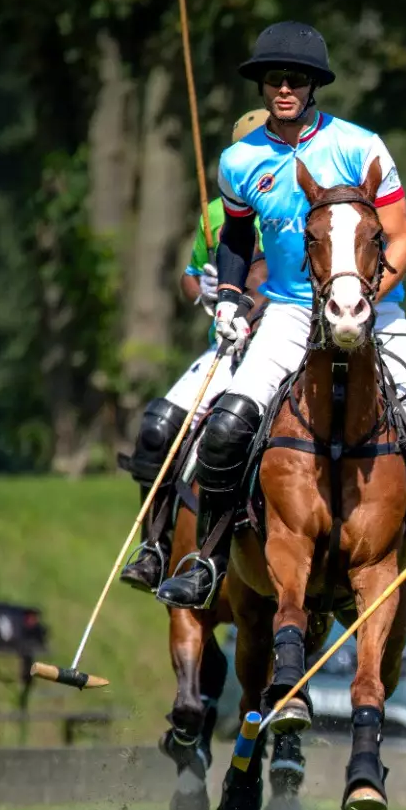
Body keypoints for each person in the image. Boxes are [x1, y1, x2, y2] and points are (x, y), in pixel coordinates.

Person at [154, 22, 406, 631]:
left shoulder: (362, 148)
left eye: (296, 79)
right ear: (262, 86)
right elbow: (233, 236)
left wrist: (357, 304)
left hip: (374, 310)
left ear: (313, 88)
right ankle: (209, 558)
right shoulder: (239, 160)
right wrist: (228, 297)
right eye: (273, 78)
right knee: (225, 433)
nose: (283, 87)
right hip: (285, 312)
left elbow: (404, 240)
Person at [117, 108, 271, 592]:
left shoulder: (299, 205)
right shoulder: (216, 214)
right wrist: (205, 288)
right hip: (227, 350)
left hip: (276, 343)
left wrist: (246, 294)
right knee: (159, 425)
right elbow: (186, 279)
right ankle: (155, 546)